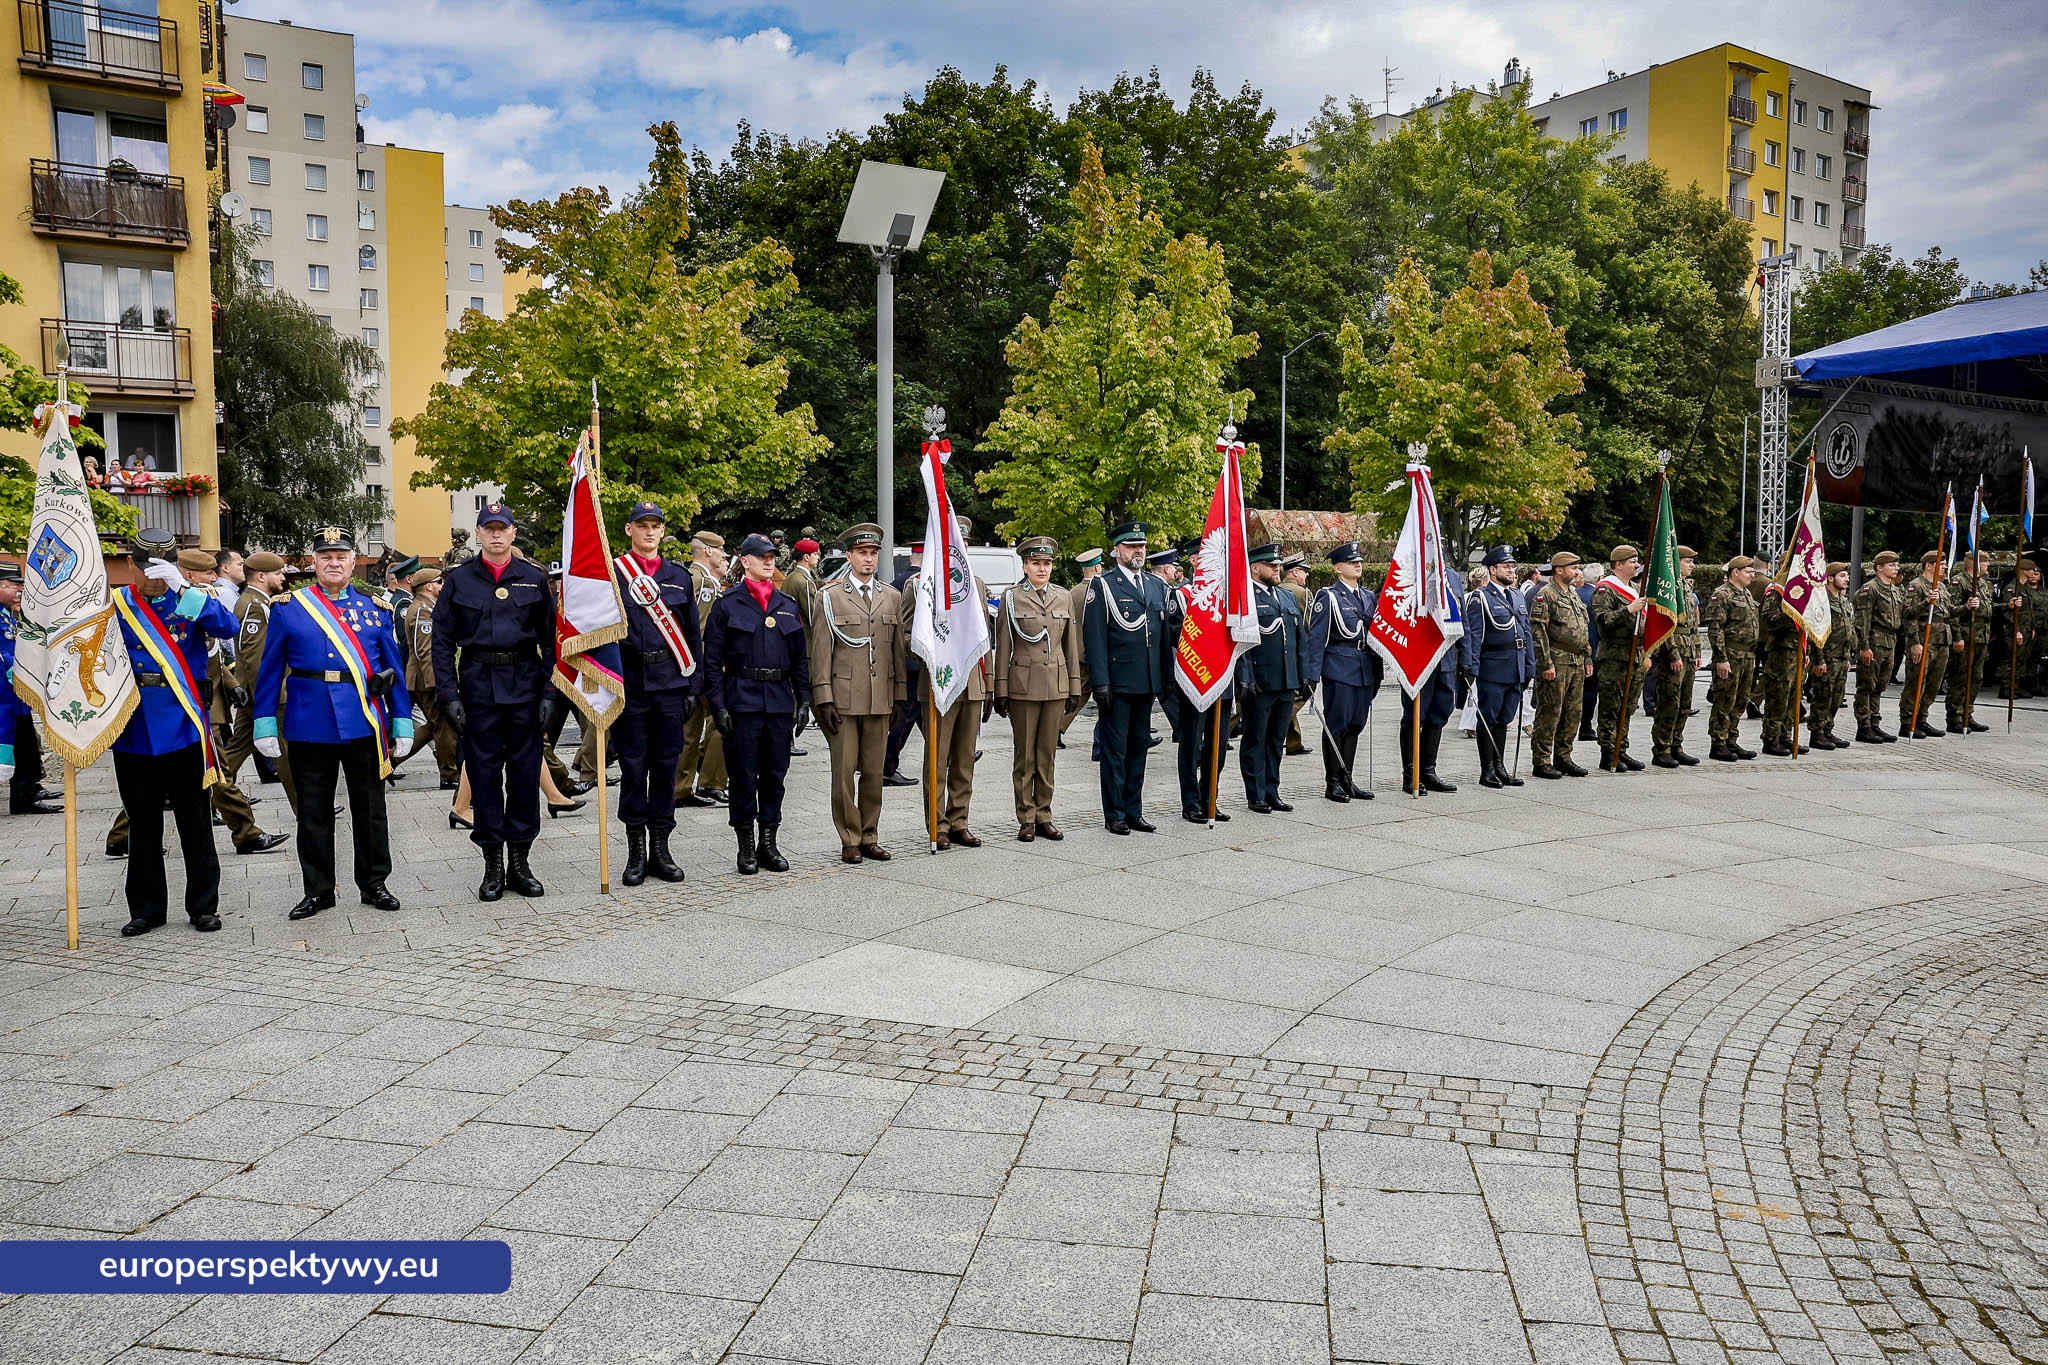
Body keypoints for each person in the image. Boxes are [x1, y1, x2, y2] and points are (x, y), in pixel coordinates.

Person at [252, 528, 411, 920]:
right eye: (326, 556)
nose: (334, 562)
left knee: (371, 808)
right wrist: (263, 721)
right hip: (309, 720)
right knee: (313, 811)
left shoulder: (375, 607)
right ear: (313, 563)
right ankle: (318, 890)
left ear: (354, 562)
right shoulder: (289, 607)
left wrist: (402, 720)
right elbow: (269, 669)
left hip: (364, 719)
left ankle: (374, 883)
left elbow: (393, 669)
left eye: (341, 556)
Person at [107, 530, 242, 935]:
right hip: (133, 727)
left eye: (160, 569)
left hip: (184, 724)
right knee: (143, 822)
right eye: (145, 568)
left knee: (194, 820)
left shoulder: (190, 599)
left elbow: (227, 626)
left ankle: (203, 905)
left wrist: (184, 585)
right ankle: (147, 909)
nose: (153, 577)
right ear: (130, 564)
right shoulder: (115, 606)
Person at [432, 502, 559, 901]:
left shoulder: (534, 579)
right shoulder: (459, 580)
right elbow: (441, 642)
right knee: (484, 778)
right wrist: (448, 694)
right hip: (478, 688)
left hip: (525, 684)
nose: (496, 534)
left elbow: (551, 639)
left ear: (513, 533)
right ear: (479, 533)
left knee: (523, 777)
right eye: (489, 528)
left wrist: (550, 691)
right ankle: (492, 863)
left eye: (503, 528)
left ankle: (520, 862)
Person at [703, 532, 810, 874]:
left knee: (775, 776)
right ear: (744, 561)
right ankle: (746, 846)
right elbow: (712, 660)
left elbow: (800, 659)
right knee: (743, 775)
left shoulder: (787, 606)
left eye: (772, 556)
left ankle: (769, 843)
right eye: (761, 556)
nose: (769, 561)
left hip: (779, 702)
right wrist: (717, 705)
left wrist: (804, 699)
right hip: (743, 701)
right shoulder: (727, 604)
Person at [610, 502, 701, 886]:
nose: (649, 532)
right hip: (629, 683)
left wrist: (694, 687)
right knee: (632, 768)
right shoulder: (613, 574)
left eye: (656, 526)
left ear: (663, 532)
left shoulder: (678, 577)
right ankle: (635, 852)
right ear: (630, 529)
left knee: (665, 767)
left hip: (669, 682)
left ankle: (661, 849)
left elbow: (693, 635)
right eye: (642, 525)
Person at [810, 524, 906, 863]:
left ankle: (869, 834)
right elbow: (821, 650)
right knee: (844, 773)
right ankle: (849, 836)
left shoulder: (891, 597)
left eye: (873, 553)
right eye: (862, 552)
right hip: (844, 699)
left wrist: (899, 695)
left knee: (874, 773)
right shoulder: (830, 595)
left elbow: (896, 651)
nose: (868, 558)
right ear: (849, 556)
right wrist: (823, 698)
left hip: (880, 698)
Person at [903, 540, 993, 851]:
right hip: (938, 684)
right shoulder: (919, 586)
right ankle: (937, 825)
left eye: (964, 544)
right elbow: (904, 635)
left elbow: (984, 637)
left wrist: (989, 682)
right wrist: (927, 647)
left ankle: (959, 822)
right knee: (937, 761)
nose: (960, 548)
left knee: (965, 760)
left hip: (971, 683)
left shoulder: (976, 585)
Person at [1084, 523, 1169, 834]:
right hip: (1118, 683)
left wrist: (1164, 678)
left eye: (1142, 546)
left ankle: (1134, 810)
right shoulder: (1103, 586)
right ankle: (1115, 813)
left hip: (1146, 681)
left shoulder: (1155, 585)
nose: (1139, 551)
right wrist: (1101, 682)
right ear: (1116, 550)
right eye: (1132, 546)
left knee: (1139, 749)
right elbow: (1095, 639)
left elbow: (1162, 636)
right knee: (1115, 752)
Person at [1236, 543, 1313, 813]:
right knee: (1255, 738)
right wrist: (1246, 677)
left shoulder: (1286, 597)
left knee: (1276, 740)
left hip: (1285, 680)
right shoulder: (1245, 598)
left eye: (1278, 564)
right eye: (1271, 565)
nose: (1276, 568)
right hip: (1260, 681)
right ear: (1255, 568)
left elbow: (1300, 639)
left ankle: (1272, 790)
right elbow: (1241, 642)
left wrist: (1303, 674)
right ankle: (1255, 793)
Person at [1304, 541, 1380, 802]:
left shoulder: (1369, 596)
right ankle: (1333, 782)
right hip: (1340, 667)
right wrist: (1312, 676)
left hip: (1366, 668)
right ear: (1338, 568)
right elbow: (1316, 639)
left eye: (1359, 561)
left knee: (1356, 725)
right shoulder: (1329, 596)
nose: (1358, 565)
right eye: (1351, 562)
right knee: (1338, 725)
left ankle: (1348, 779)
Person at [221, 552, 295, 815]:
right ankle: (306, 809)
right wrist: (267, 696)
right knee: (285, 753)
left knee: (235, 752)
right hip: (264, 693)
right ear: (262, 576)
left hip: (254, 691)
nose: (283, 578)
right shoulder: (255, 605)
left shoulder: (256, 601)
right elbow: (254, 657)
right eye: (278, 573)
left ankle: (211, 793)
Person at [1461, 545, 1532, 789]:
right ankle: (1487, 769)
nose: (1512, 570)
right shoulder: (1480, 598)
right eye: (1506, 566)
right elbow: (1474, 636)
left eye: (1513, 566)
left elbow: (1527, 634)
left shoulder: (1518, 596)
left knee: (1504, 719)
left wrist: (1530, 666)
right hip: (1494, 667)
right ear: (1493, 570)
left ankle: (1500, 766)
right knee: (1489, 718)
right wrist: (1470, 668)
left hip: (1516, 667)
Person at [674, 532, 730, 807]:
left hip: (687, 664)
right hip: (706, 662)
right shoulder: (704, 581)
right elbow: (702, 626)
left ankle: (680, 787)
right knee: (723, 719)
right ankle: (712, 781)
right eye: (720, 551)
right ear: (707, 551)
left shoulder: (685, 576)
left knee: (689, 727)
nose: (723, 556)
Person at [0, 564, 59, 815]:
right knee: (19, 744)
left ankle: (29, 790)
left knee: (26, 744)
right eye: (14, 587)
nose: (20, 592)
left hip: (15, 695)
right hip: (5, 694)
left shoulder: (6, 614)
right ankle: (24, 795)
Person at [1530, 551, 1593, 779]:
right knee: (1551, 711)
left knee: (1573, 713)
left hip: (1576, 661)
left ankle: (1564, 757)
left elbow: (1582, 629)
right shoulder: (1546, 595)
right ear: (1559, 570)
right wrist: (1546, 663)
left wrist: (1586, 657)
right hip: (1557, 660)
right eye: (1573, 568)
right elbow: (1538, 632)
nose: (1577, 572)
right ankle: (1542, 760)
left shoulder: (1573, 594)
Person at [1590, 546, 1651, 771]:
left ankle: (1621, 749)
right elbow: (1602, 622)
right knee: (1611, 707)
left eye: (1637, 561)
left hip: (1635, 656)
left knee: (1628, 707)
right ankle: (1608, 753)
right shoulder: (1606, 589)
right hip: (1614, 657)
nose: (1637, 565)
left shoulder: (1635, 588)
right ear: (1618, 565)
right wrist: (1629, 610)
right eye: (1632, 561)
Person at [399, 568, 462, 787]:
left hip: (424, 677)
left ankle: (388, 762)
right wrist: (436, 682)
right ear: (428, 586)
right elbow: (424, 649)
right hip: (427, 679)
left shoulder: (428, 607)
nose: (442, 586)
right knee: (444, 726)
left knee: (433, 726)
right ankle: (449, 775)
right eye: (439, 582)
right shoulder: (422, 610)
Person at [1648, 547, 1703, 767]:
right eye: (1688, 561)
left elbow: (1693, 626)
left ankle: (1676, 745)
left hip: (1688, 651)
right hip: (1674, 653)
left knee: (1685, 704)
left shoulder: (1687, 587)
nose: (1692, 566)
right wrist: (1672, 655)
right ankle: (1661, 748)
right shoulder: (1667, 588)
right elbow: (1665, 624)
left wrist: (1697, 653)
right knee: (1669, 702)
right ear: (1676, 563)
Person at [1705, 556, 1762, 761]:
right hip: (1731, 654)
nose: (1752, 575)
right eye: (1748, 571)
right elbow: (1715, 628)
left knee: (1740, 700)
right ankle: (1718, 742)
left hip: (1747, 655)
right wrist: (1721, 658)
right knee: (1725, 699)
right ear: (1735, 572)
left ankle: (1731, 739)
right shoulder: (1722, 594)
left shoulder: (1745, 593)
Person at [1898, 551, 1954, 739]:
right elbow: (1908, 614)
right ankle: (1907, 721)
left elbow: (1948, 612)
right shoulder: (1917, 586)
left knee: (1933, 684)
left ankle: (1921, 718)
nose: (1945, 567)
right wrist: (1915, 642)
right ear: (1928, 565)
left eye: (1945, 564)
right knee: (1916, 682)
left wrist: (1967, 607)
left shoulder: (1941, 587)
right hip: (1924, 640)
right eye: (1941, 563)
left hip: (1941, 641)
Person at [1854, 550, 1904, 743]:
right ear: (1879, 568)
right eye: (1892, 565)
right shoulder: (1870, 589)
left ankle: (1874, 723)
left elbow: (1906, 613)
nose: (1896, 568)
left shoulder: (1895, 590)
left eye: (1897, 565)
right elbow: (1862, 621)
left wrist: (1927, 603)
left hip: (1890, 641)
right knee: (1867, 685)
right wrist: (1864, 646)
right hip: (1874, 640)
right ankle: (1864, 726)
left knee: (1880, 686)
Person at [1945, 549, 1993, 733]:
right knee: (1960, 677)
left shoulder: (1981, 583)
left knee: (1976, 678)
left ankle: (1967, 713)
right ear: (1975, 563)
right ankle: (1954, 716)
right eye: (1985, 562)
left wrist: (2007, 605)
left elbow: (1986, 608)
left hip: (1982, 635)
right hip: (1967, 634)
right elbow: (1952, 612)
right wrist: (1957, 637)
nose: (1987, 565)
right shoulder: (1960, 582)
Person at [1809, 562, 1855, 750]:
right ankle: (1817, 733)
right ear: (1830, 578)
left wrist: (1848, 657)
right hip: (1827, 657)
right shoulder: (1822, 600)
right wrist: (1818, 659)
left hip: (1841, 657)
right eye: (1842, 576)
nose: (1847, 579)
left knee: (1836, 697)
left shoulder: (1843, 601)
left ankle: (1828, 730)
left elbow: (1848, 629)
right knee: (1823, 696)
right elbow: (1816, 632)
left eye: (1846, 576)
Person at [1060, 548, 1104, 747]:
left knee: (1079, 693)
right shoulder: (1099, 591)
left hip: (1075, 651)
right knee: (1089, 695)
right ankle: (1056, 729)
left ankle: (1056, 729)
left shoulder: (1072, 592)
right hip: (1090, 653)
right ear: (1096, 566)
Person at [1278, 554, 1314, 756]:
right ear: (1294, 572)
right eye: (1304, 571)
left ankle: (1293, 742)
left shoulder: (1276, 590)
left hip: (1281, 652)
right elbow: (1310, 625)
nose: (1306, 574)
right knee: (1300, 695)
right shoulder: (1303, 592)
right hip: (1301, 652)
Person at [211, 549, 245, 613]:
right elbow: (233, 621)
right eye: (240, 564)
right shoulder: (225, 592)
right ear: (225, 568)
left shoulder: (226, 590)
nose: (244, 568)